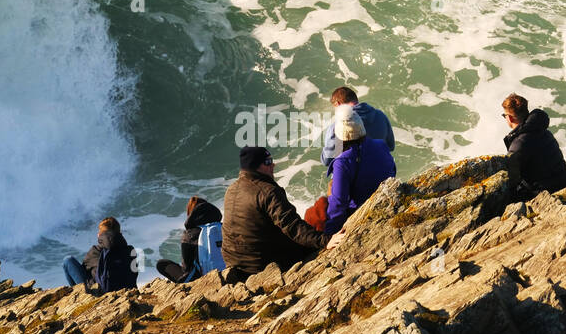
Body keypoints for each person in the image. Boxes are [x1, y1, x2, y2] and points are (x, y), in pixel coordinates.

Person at [222, 146, 330, 283]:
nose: (273, 165)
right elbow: (293, 227)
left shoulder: (231, 189)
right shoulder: (268, 191)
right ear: (255, 167)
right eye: (267, 162)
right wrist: (326, 240)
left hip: (234, 262)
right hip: (261, 265)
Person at [323, 104, 397, 235]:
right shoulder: (381, 145)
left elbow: (338, 203)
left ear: (339, 136)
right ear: (361, 127)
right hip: (388, 203)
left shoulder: (342, 162)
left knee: (318, 208)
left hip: (360, 214)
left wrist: (330, 234)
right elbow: (392, 172)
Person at [501, 93, 566, 201]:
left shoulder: (519, 143)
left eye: (504, 115)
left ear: (510, 118)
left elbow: (512, 178)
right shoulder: (544, 131)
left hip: (546, 192)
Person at [320, 86, 395, 172]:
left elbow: (327, 160)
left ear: (338, 104)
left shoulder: (338, 126)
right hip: (382, 172)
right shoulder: (381, 115)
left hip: (353, 179)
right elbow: (390, 146)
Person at [156, 196, 225, 282]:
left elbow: (187, 268)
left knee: (161, 264)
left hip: (205, 279)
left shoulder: (190, 234)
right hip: (229, 272)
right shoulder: (225, 227)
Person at [63, 217, 138, 293]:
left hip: (100, 291)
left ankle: (75, 293)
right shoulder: (130, 250)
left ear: (100, 234)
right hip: (127, 289)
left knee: (68, 260)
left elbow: (84, 269)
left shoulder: (96, 250)